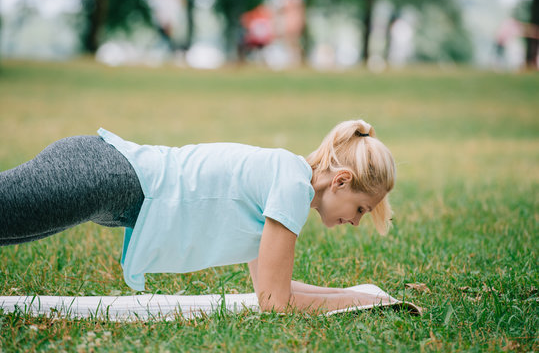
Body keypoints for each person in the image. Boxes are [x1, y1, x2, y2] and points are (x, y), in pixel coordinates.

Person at [0, 120, 395, 313]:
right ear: (341, 181)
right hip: (103, 176)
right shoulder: (292, 187)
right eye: (361, 208)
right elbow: (276, 302)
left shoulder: (284, 177)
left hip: (105, 180)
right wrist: (358, 300)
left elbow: (273, 287)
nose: (357, 221)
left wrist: (363, 297)